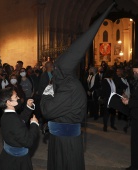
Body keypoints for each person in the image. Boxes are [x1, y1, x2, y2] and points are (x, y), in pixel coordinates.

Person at [40, 2, 115, 170]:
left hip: (65, 141)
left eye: (56, 69)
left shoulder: (68, 87)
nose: (54, 72)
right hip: (63, 137)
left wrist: (47, 90)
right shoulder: (70, 83)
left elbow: (47, 110)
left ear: (62, 71)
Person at [0, 87, 39, 170]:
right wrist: (34, 124)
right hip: (17, 161)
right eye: (16, 96)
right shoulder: (13, 119)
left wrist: (28, 107)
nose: (18, 98)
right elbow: (28, 142)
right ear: (8, 102)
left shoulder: (7, 115)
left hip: (8, 157)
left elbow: (20, 121)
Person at [122, 63, 138, 170]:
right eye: (134, 72)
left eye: (136, 71)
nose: (134, 73)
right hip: (135, 116)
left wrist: (129, 102)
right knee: (134, 143)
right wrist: (128, 98)